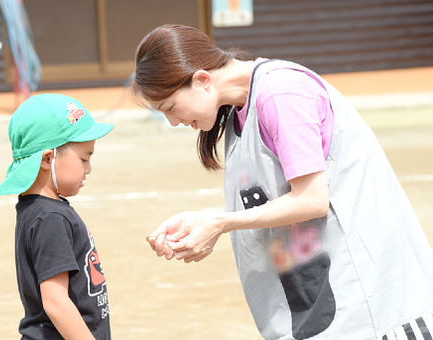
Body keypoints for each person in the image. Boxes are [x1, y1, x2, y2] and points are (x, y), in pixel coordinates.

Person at [133, 24, 433, 340]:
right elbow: (275, 203)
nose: (173, 121)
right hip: (319, 308)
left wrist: (220, 223)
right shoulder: (238, 112)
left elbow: (311, 199)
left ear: (202, 80)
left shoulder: (281, 94)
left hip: (366, 308)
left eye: (170, 107)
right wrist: (203, 225)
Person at [0, 94, 114, 340]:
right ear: (48, 158)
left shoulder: (42, 210)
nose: (88, 169)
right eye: (84, 158)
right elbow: (56, 302)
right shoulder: (49, 218)